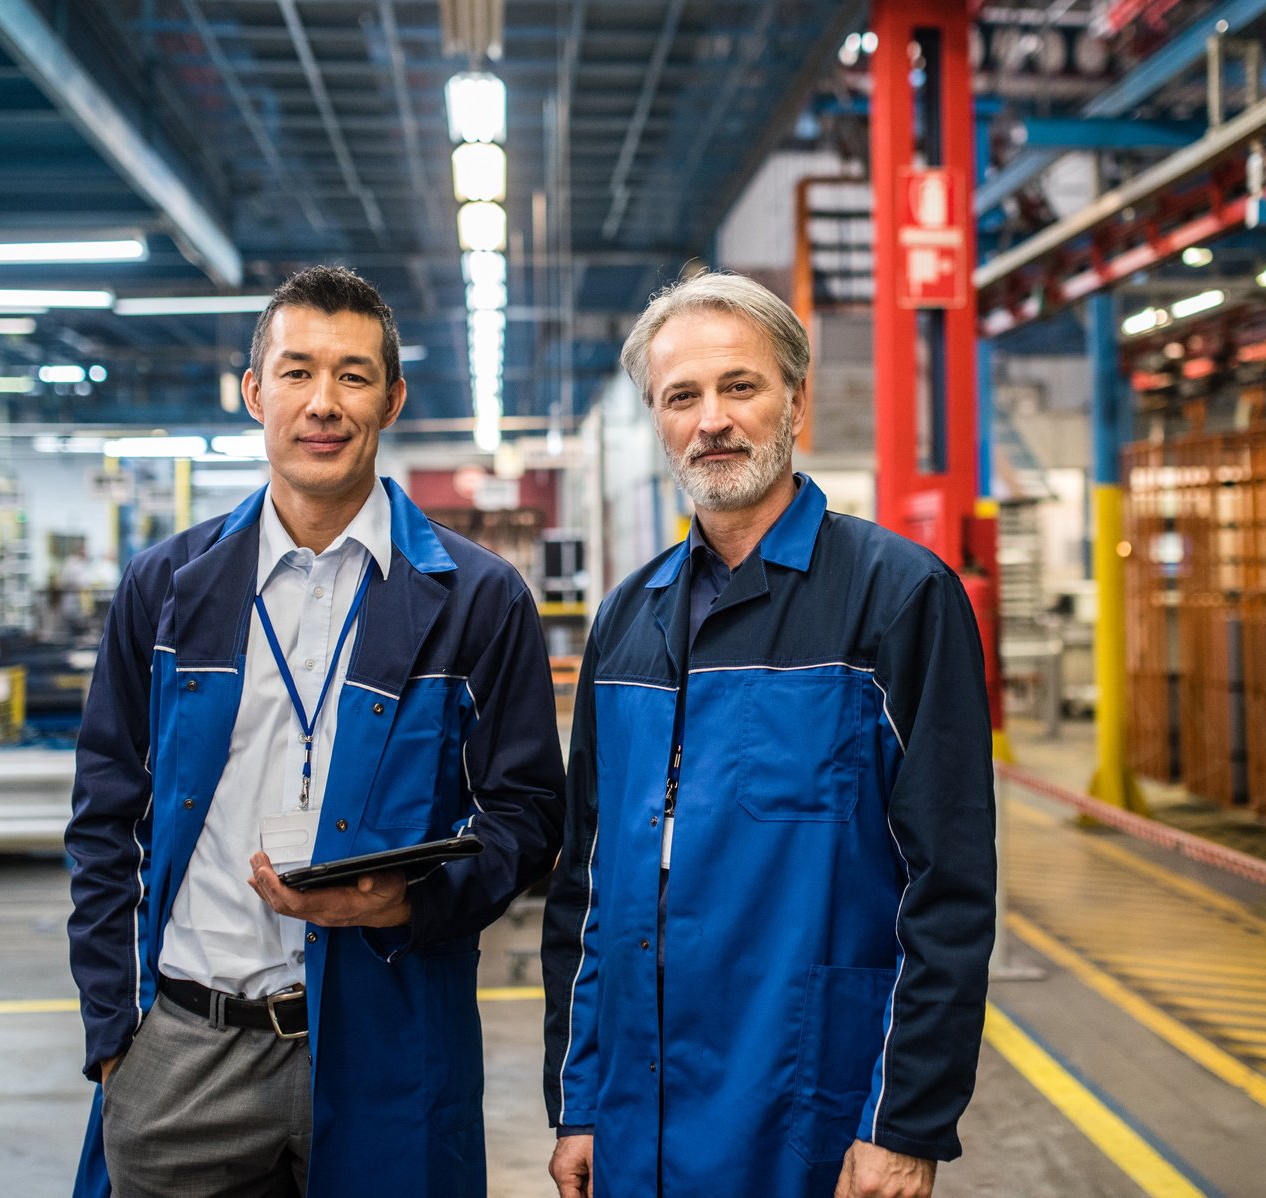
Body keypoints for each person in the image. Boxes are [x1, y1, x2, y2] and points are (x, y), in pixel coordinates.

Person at [68, 265, 565, 1198]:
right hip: (188, 1047)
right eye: (296, 372)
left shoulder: (480, 600)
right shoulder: (167, 590)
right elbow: (107, 816)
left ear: (393, 397)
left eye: (353, 374)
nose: (323, 403)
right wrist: (114, 1036)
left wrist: (411, 901)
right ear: (255, 392)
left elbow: (529, 815)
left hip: (390, 1037)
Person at [541, 272, 995, 1198]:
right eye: (682, 397)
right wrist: (580, 1100)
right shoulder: (630, 617)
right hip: (640, 1113)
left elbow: (948, 887)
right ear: (659, 422)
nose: (712, 420)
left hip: (809, 1114)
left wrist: (904, 1122)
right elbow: (585, 883)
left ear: (795, 399)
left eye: (738, 387)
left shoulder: (898, 598)